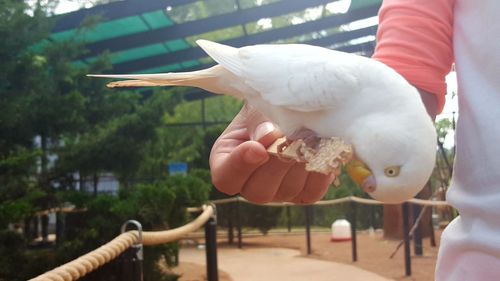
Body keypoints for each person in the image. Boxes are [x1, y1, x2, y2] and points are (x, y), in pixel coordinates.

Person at [209, 0, 500, 279]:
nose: (359, 174)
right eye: (387, 172)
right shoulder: (363, 102)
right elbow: (405, 70)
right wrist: (289, 98)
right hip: (479, 257)